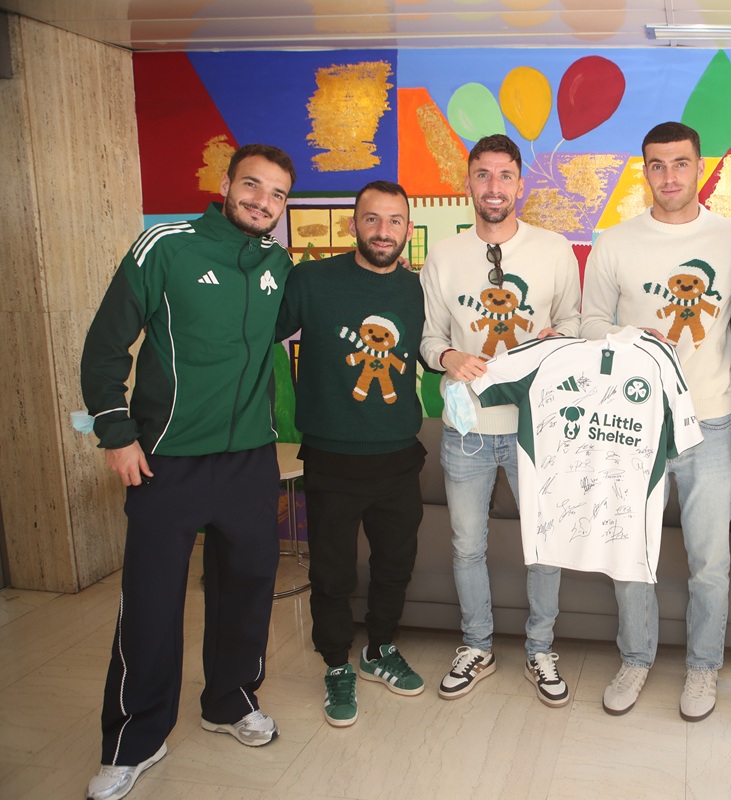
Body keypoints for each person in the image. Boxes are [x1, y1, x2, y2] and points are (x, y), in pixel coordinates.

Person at [80, 144, 297, 800]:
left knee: (248, 589)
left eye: (277, 194)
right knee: (150, 603)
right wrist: (116, 434)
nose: (263, 201)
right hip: (166, 461)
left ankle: (229, 702)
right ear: (226, 183)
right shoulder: (165, 246)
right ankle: (134, 740)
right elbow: (104, 346)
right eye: (253, 185)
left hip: (249, 461)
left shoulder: (279, 264)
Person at [580, 121, 731, 722]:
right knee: (632, 554)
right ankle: (636, 657)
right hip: (635, 427)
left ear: (699, 167)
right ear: (644, 169)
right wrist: (629, 336)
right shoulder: (614, 242)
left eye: (681, 163)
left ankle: (703, 668)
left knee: (710, 561)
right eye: (657, 164)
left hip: (709, 424)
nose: (669, 175)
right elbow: (589, 323)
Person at [419, 133, 581, 708]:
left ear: (520, 183)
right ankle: (477, 645)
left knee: (543, 545)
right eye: (483, 174)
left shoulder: (554, 250)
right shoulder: (443, 256)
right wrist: (447, 357)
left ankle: (541, 649)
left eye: (505, 175)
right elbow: (429, 339)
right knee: (467, 545)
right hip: (467, 429)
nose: (494, 186)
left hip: (537, 426)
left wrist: (559, 337)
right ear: (468, 182)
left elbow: (575, 325)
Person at [275, 180, 427, 728]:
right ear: (352, 224)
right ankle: (337, 663)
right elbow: (258, 330)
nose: (383, 231)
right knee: (333, 573)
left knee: (395, 566)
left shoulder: (418, 290)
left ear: (408, 229)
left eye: (394, 221)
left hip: (398, 456)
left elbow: (439, 349)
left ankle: (379, 649)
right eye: (372, 219)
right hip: (331, 458)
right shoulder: (312, 280)